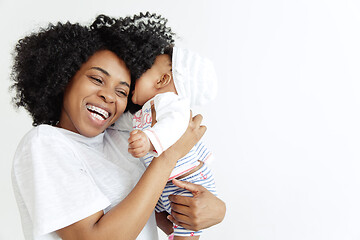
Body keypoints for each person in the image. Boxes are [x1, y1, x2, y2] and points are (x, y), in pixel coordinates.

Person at [10, 13, 225, 240]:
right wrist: (169, 155)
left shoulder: (125, 142)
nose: (109, 96)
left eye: (122, 91)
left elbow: (161, 217)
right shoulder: (45, 143)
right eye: (97, 79)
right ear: (64, 77)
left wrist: (213, 211)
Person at [127, 44, 218, 239]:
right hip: (168, 181)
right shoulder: (146, 109)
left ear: (162, 80)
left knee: (185, 228)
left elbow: (175, 125)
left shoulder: (168, 102)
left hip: (186, 181)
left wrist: (149, 140)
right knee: (176, 222)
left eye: (141, 72)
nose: (133, 77)